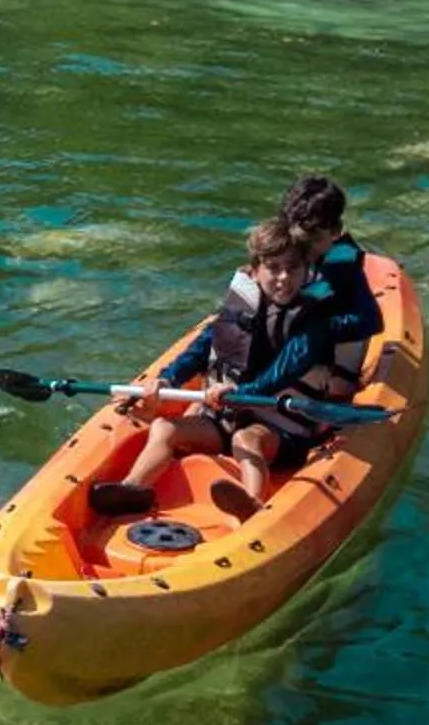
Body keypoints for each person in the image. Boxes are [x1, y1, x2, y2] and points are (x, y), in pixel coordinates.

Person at [105, 217, 336, 512]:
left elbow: (285, 370)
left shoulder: (314, 321)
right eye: (274, 268)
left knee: (246, 439)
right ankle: (133, 489)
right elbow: (201, 349)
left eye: (293, 269)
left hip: (281, 427)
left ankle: (251, 504)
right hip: (224, 418)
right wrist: (167, 380)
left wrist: (241, 392)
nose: (283, 278)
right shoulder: (240, 307)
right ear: (254, 271)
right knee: (164, 427)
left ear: (306, 272)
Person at [280, 173, 382, 398]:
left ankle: (339, 387)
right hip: (300, 338)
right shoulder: (284, 255)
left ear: (335, 232)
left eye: (315, 241)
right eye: (300, 240)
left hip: (337, 345)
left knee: (335, 388)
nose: (306, 250)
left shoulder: (342, 266)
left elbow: (371, 320)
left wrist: (319, 328)